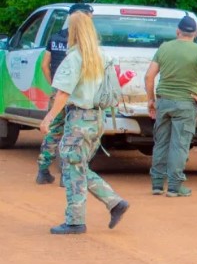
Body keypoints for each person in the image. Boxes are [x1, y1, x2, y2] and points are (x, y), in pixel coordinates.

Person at [38, 12, 130, 234]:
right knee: (77, 166)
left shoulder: (75, 57)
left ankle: (76, 221)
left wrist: (49, 117)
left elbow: (62, 93)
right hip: (97, 117)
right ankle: (113, 202)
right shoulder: (102, 56)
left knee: (73, 167)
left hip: (79, 118)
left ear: (74, 31)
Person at [145, 15, 197, 197]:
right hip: (186, 103)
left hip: (163, 102)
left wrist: (151, 100)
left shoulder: (164, 47)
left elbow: (149, 76)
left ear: (178, 31)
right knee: (179, 145)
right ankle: (174, 186)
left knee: (161, 142)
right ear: (195, 34)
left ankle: (156, 184)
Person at [36, 3, 94, 185]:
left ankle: (43, 170)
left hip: (59, 91)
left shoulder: (55, 38)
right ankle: (66, 174)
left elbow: (44, 65)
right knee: (72, 133)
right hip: (78, 94)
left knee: (53, 130)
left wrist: (55, 85)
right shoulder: (86, 41)